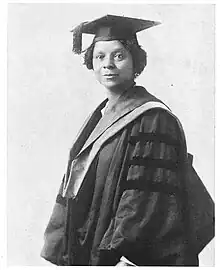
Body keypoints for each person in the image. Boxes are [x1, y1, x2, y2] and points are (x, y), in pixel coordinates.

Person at [40, 14, 211, 266]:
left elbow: (146, 196)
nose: (108, 64)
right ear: (91, 62)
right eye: (100, 56)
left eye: (118, 56)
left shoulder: (152, 118)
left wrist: (126, 255)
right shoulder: (100, 117)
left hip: (125, 258)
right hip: (94, 245)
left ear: (136, 62)